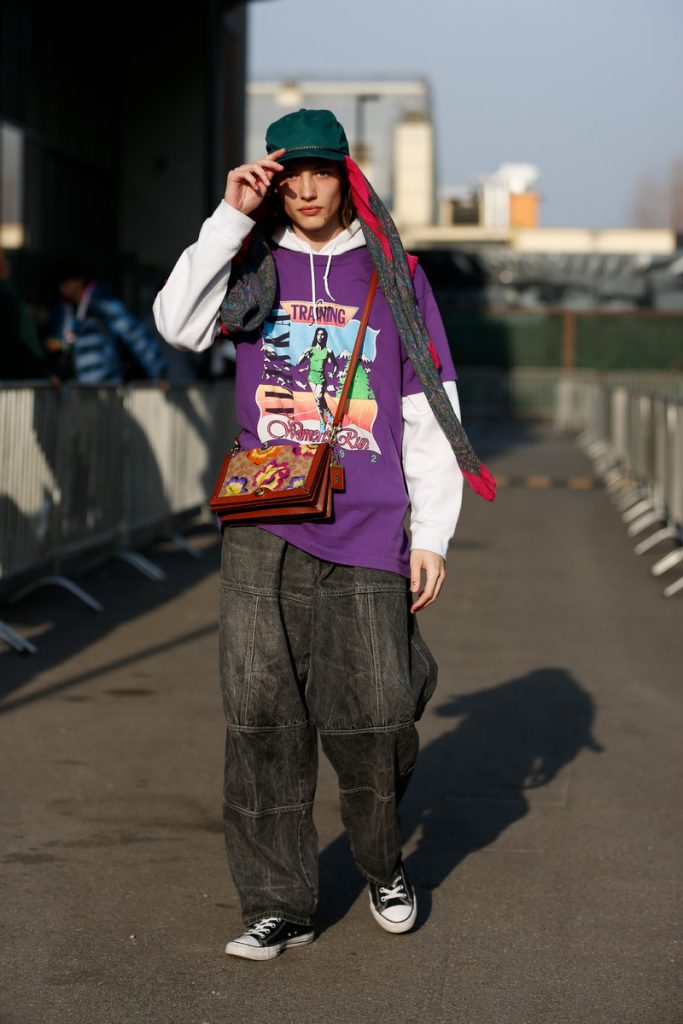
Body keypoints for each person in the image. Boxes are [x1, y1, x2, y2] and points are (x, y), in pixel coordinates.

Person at [153, 108, 495, 961]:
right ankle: (279, 903)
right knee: (260, 719)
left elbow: (428, 406)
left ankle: (381, 863)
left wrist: (432, 533)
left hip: (370, 524)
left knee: (378, 714)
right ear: (274, 181)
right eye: (290, 174)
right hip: (264, 521)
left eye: (321, 173)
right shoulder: (249, 260)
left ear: (347, 179)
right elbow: (176, 324)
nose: (306, 189)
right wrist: (229, 216)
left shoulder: (393, 273)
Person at [53, 266, 167, 384]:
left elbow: (137, 337)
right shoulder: (71, 310)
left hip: (108, 385)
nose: (62, 289)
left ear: (79, 280)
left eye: (65, 283)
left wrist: (159, 372)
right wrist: (59, 375)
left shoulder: (103, 305)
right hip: (85, 387)